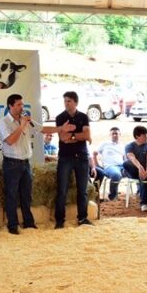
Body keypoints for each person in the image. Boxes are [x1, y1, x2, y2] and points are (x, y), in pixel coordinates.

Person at [0, 94, 74, 234]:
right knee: (12, 195)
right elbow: (10, 140)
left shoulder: (26, 120)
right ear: (10, 106)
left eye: (22, 104)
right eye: (19, 105)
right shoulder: (4, 122)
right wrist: (21, 125)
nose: (22, 107)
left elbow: (42, 129)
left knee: (27, 195)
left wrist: (60, 129)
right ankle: (13, 226)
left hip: (26, 163)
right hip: (12, 164)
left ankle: (28, 222)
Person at [55, 91, 94, 229]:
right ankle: (60, 220)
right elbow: (63, 138)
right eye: (65, 101)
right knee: (62, 190)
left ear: (76, 102)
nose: (66, 103)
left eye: (69, 101)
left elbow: (87, 134)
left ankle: (82, 218)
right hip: (65, 157)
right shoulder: (60, 117)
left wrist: (71, 136)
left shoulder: (83, 116)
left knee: (82, 190)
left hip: (82, 157)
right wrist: (78, 136)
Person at [123, 125, 147, 212]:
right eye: (144, 135)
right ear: (137, 136)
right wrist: (140, 168)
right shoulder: (129, 146)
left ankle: (144, 203)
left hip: (146, 170)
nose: (146, 137)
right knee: (126, 163)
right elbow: (132, 158)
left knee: (142, 176)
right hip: (135, 169)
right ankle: (144, 203)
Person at [94, 127, 126, 201]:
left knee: (134, 170)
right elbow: (94, 154)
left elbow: (125, 157)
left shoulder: (122, 145)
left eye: (116, 133)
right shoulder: (104, 144)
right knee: (116, 174)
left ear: (120, 134)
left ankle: (140, 193)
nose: (115, 135)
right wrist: (97, 165)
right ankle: (112, 196)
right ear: (110, 135)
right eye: (113, 134)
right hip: (110, 167)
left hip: (121, 166)